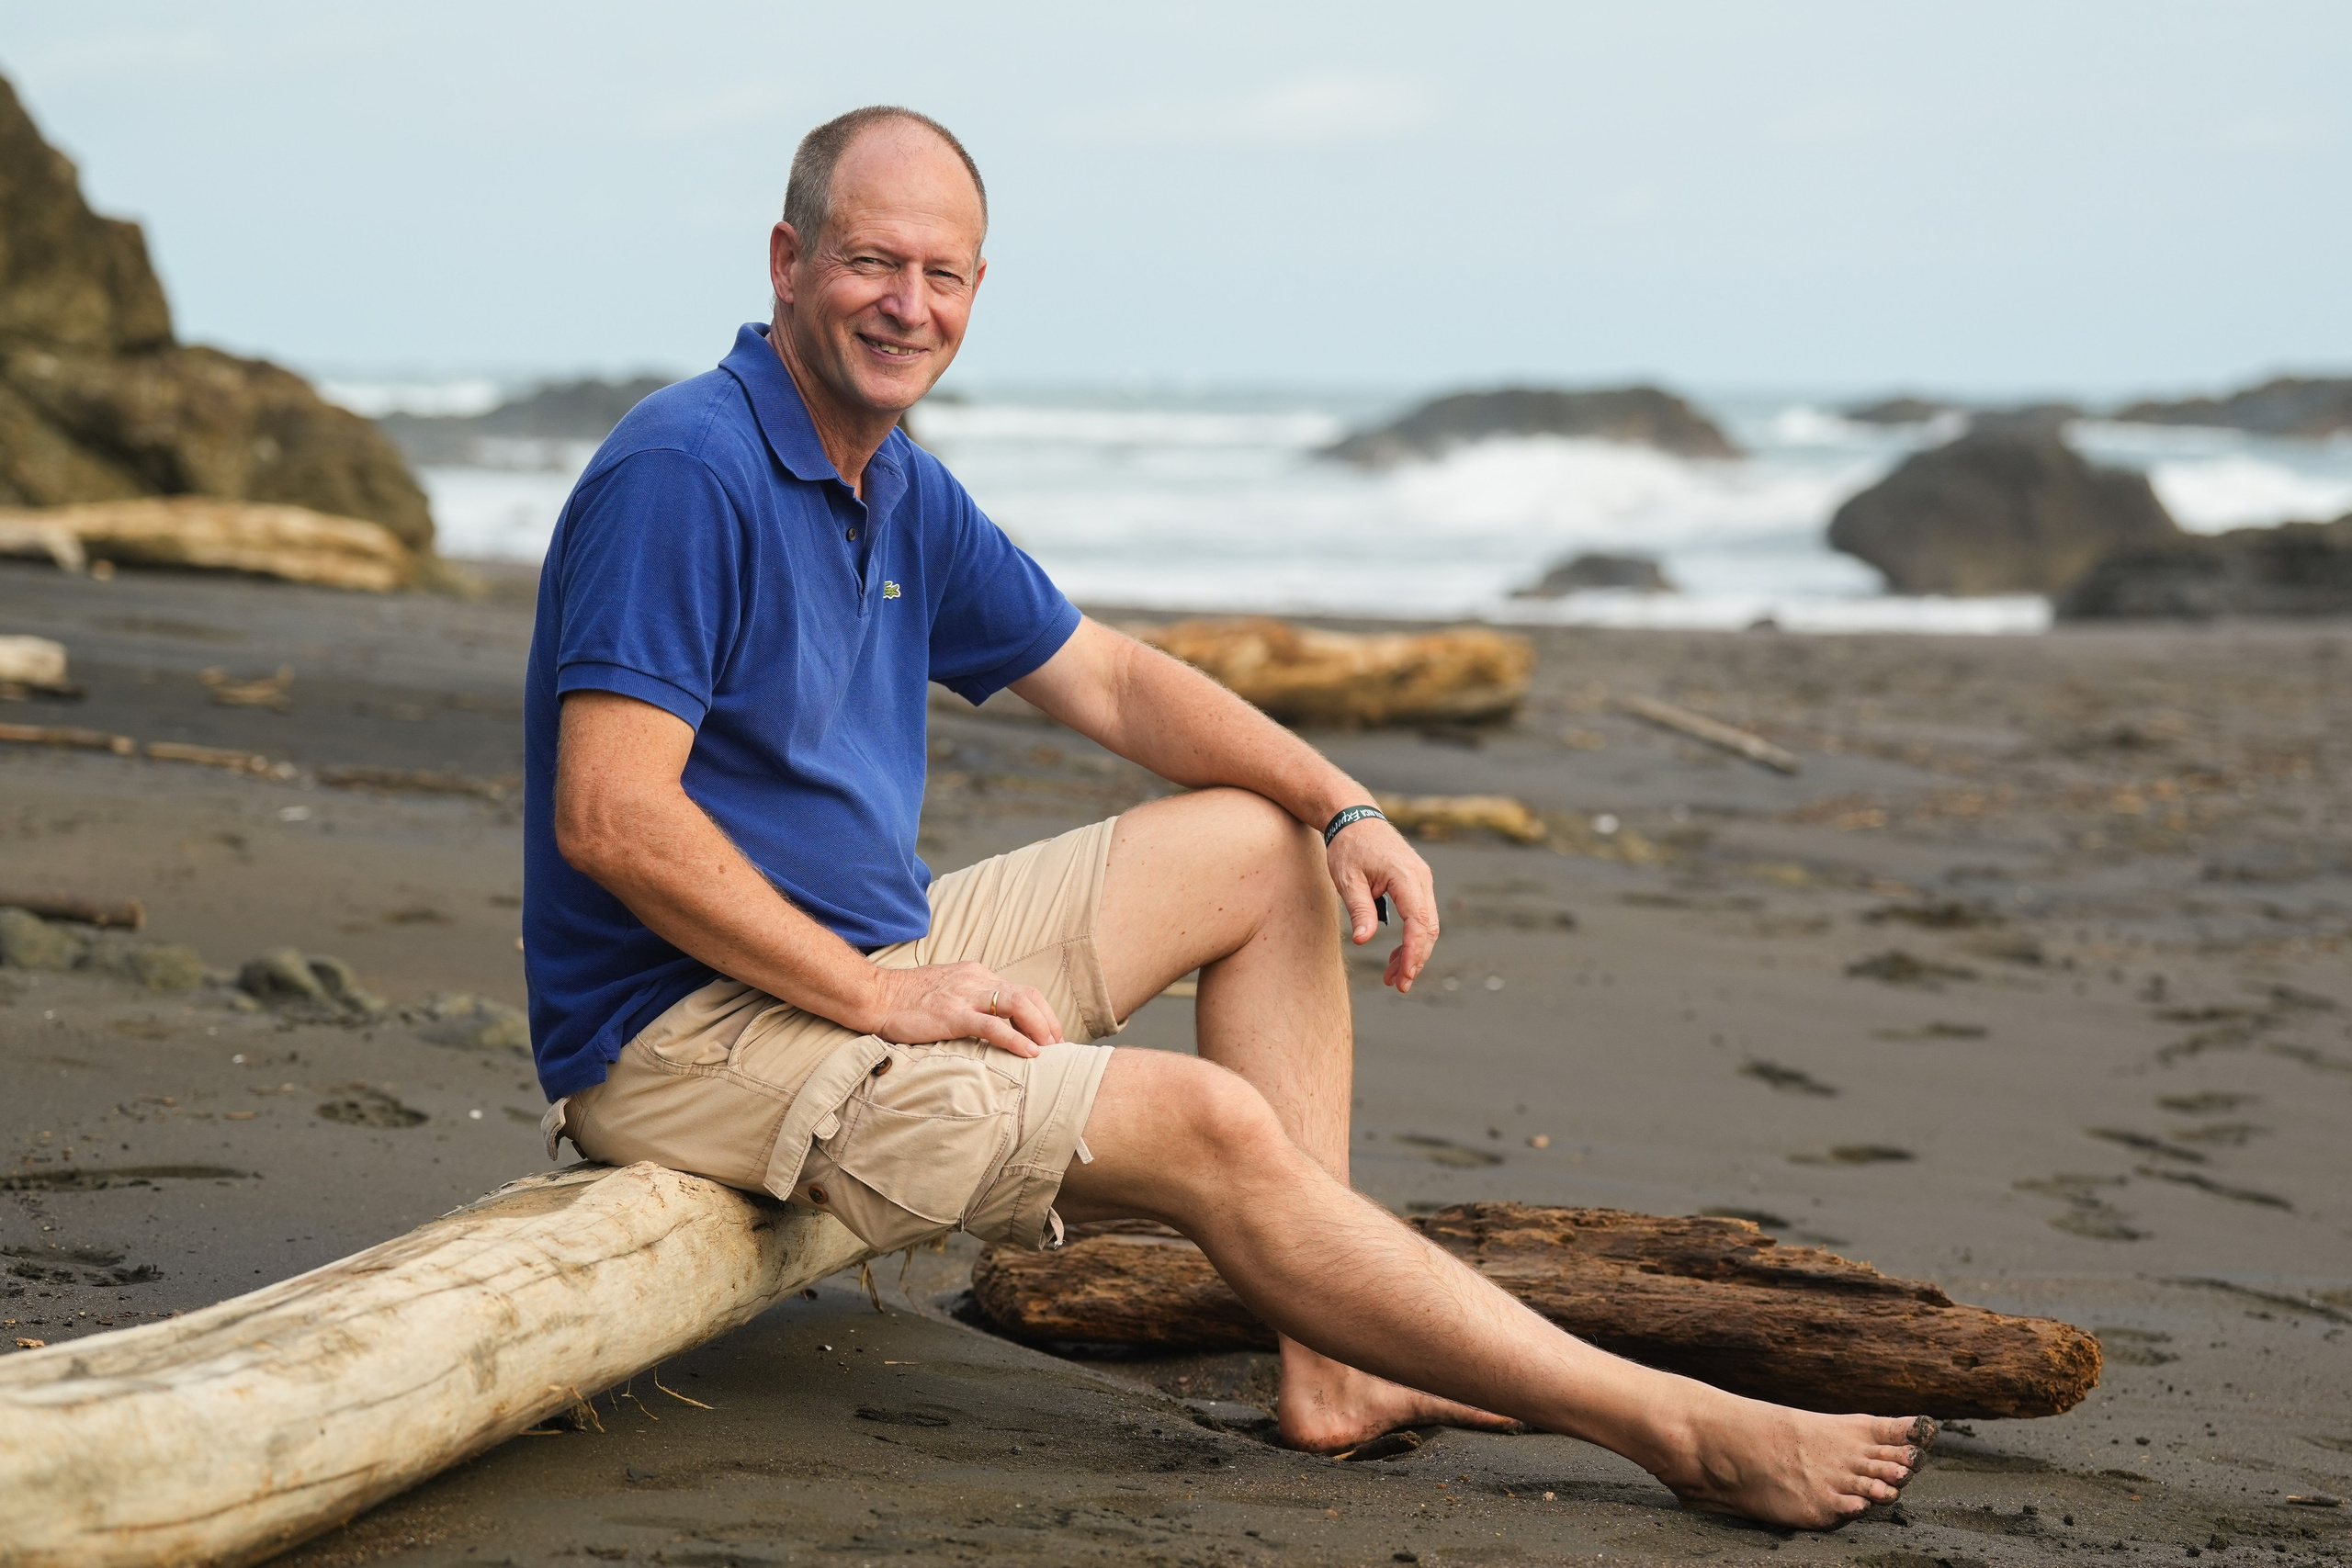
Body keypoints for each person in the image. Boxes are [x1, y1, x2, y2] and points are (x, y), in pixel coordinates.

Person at [523, 105, 1931, 1529]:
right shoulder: (685, 471)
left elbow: (1117, 683)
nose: (908, 305)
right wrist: (876, 1001)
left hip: (862, 957)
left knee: (1261, 848)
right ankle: (1680, 1429)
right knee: (1206, 1122)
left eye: (942, 275)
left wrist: (1340, 805)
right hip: (687, 1030)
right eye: (873, 262)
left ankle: (1335, 1365)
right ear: (785, 259)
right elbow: (613, 818)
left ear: (977, 290)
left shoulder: (893, 481)